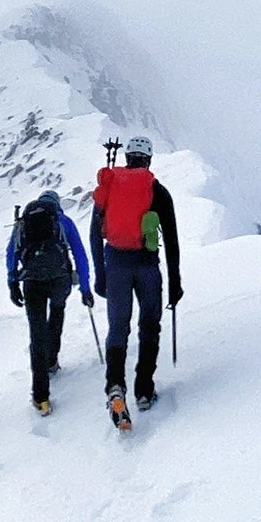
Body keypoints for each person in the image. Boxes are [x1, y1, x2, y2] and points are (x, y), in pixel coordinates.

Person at [90, 134, 182, 421]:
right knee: (149, 324)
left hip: (116, 263)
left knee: (118, 327)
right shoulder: (158, 191)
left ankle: (115, 388)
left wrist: (100, 274)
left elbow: (95, 233)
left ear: (127, 157)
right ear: (149, 159)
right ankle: (144, 390)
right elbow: (172, 239)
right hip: (147, 267)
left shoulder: (110, 187)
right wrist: (175, 282)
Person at [6, 187, 92, 415]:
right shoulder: (63, 221)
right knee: (57, 312)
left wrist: (13, 282)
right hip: (59, 280)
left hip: (32, 281)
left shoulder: (22, 223)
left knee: (37, 333)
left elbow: (11, 253)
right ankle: (52, 359)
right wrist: (84, 287)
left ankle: (41, 397)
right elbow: (80, 254)